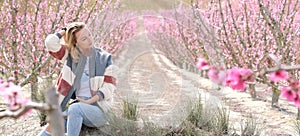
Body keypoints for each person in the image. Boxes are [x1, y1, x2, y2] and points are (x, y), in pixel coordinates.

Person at [38, 22, 118, 136]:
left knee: (75, 108)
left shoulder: (104, 58)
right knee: (48, 129)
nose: (90, 40)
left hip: (99, 110)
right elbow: (50, 43)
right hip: (76, 109)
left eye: (89, 34)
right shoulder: (70, 57)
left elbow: (109, 87)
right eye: (84, 39)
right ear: (76, 43)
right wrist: (65, 30)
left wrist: (89, 101)